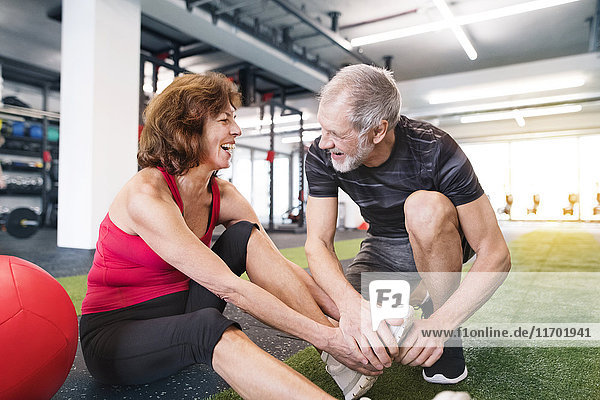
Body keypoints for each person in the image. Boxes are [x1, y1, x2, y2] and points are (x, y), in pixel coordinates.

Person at [79, 73, 368, 400]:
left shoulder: (223, 194)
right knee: (207, 328)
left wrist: (350, 317)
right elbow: (230, 288)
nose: (237, 130)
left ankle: (339, 358)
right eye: (224, 119)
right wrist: (326, 337)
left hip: (184, 308)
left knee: (245, 235)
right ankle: (335, 350)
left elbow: (279, 267)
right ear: (185, 128)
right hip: (117, 336)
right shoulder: (146, 196)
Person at [304, 64, 511, 390]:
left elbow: (495, 254)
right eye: (322, 129)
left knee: (423, 208)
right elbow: (317, 243)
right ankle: (408, 298)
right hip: (383, 245)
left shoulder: (435, 148)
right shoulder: (320, 154)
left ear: (377, 131)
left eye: (337, 133)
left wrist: (442, 323)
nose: (325, 142)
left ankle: (440, 315)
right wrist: (350, 305)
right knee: (314, 300)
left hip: (439, 237)